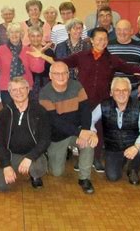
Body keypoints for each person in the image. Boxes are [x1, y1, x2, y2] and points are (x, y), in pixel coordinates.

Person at [27, 27, 140, 172]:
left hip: (102, 101)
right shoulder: (81, 56)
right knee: (82, 128)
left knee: (99, 130)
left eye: (105, 39)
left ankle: (95, 158)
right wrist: (41, 55)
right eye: (99, 39)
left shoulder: (111, 59)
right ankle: (82, 157)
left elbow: (131, 69)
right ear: (92, 40)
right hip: (82, 101)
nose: (103, 42)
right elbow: (59, 62)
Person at [39, 62, 97, 194]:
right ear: (50, 76)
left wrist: (86, 131)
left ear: (69, 74)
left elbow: (86, 111)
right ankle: (51, 153)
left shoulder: (77, 86)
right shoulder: (44, 93)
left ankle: (84, 178)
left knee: (89, 143)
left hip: (76, 131)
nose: (61, 76)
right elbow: (55, 121)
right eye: (57, 74)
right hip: (56, 135)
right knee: (57, 173)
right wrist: (79, 132)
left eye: (64, 73)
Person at [91, 77, 140, 185]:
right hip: (113, 147)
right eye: (117, 90)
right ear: (111, 93)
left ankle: (133, 168)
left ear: (129, 92)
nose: (121, 93)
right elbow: (90, 120)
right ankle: (122, 160)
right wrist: (93, 132)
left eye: (125, 90)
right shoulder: (103, 105)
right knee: (113, 177)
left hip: (133, 144)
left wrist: (136, 146)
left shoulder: (139, 107)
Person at [0, 77, 50, 191]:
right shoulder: (4, 113)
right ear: (9, 92)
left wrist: (30, 157)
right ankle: (16, 168)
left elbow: (45, 140)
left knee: (37, 168)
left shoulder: (40, 111)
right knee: (1, 186)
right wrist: (6, 165)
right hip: (12, 155)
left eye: (22, 89)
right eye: (14, 90)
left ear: (28, 89)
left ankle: (34, 175)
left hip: (34, 154)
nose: (18, 92)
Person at [0, 23, 45, 106]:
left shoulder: (28, 50)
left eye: (17, 32)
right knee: (10, 115)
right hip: (7, 89)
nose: (14, 35)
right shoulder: (1, 50)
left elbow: (38, 69)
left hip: (25, 88)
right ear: (8, 34)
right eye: (11, 32)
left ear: (21, 34)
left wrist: (39, 56)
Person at [107, 20, 140, 98]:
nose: (122, 32)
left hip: (134, 91)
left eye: (125, 29)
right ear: (115, 31)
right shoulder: (107, 46)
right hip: (113, 92)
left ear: (131, 31)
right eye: (119, 29)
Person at [28, 26, 55, 101]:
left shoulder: (49, 51)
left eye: (38, 36)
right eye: (32, 36)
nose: (35, 39)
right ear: (29, 37)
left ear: (42, 36)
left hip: (47, 85)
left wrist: (42, 55)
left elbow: (56, 65)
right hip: (30, 86)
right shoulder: (25, 51)